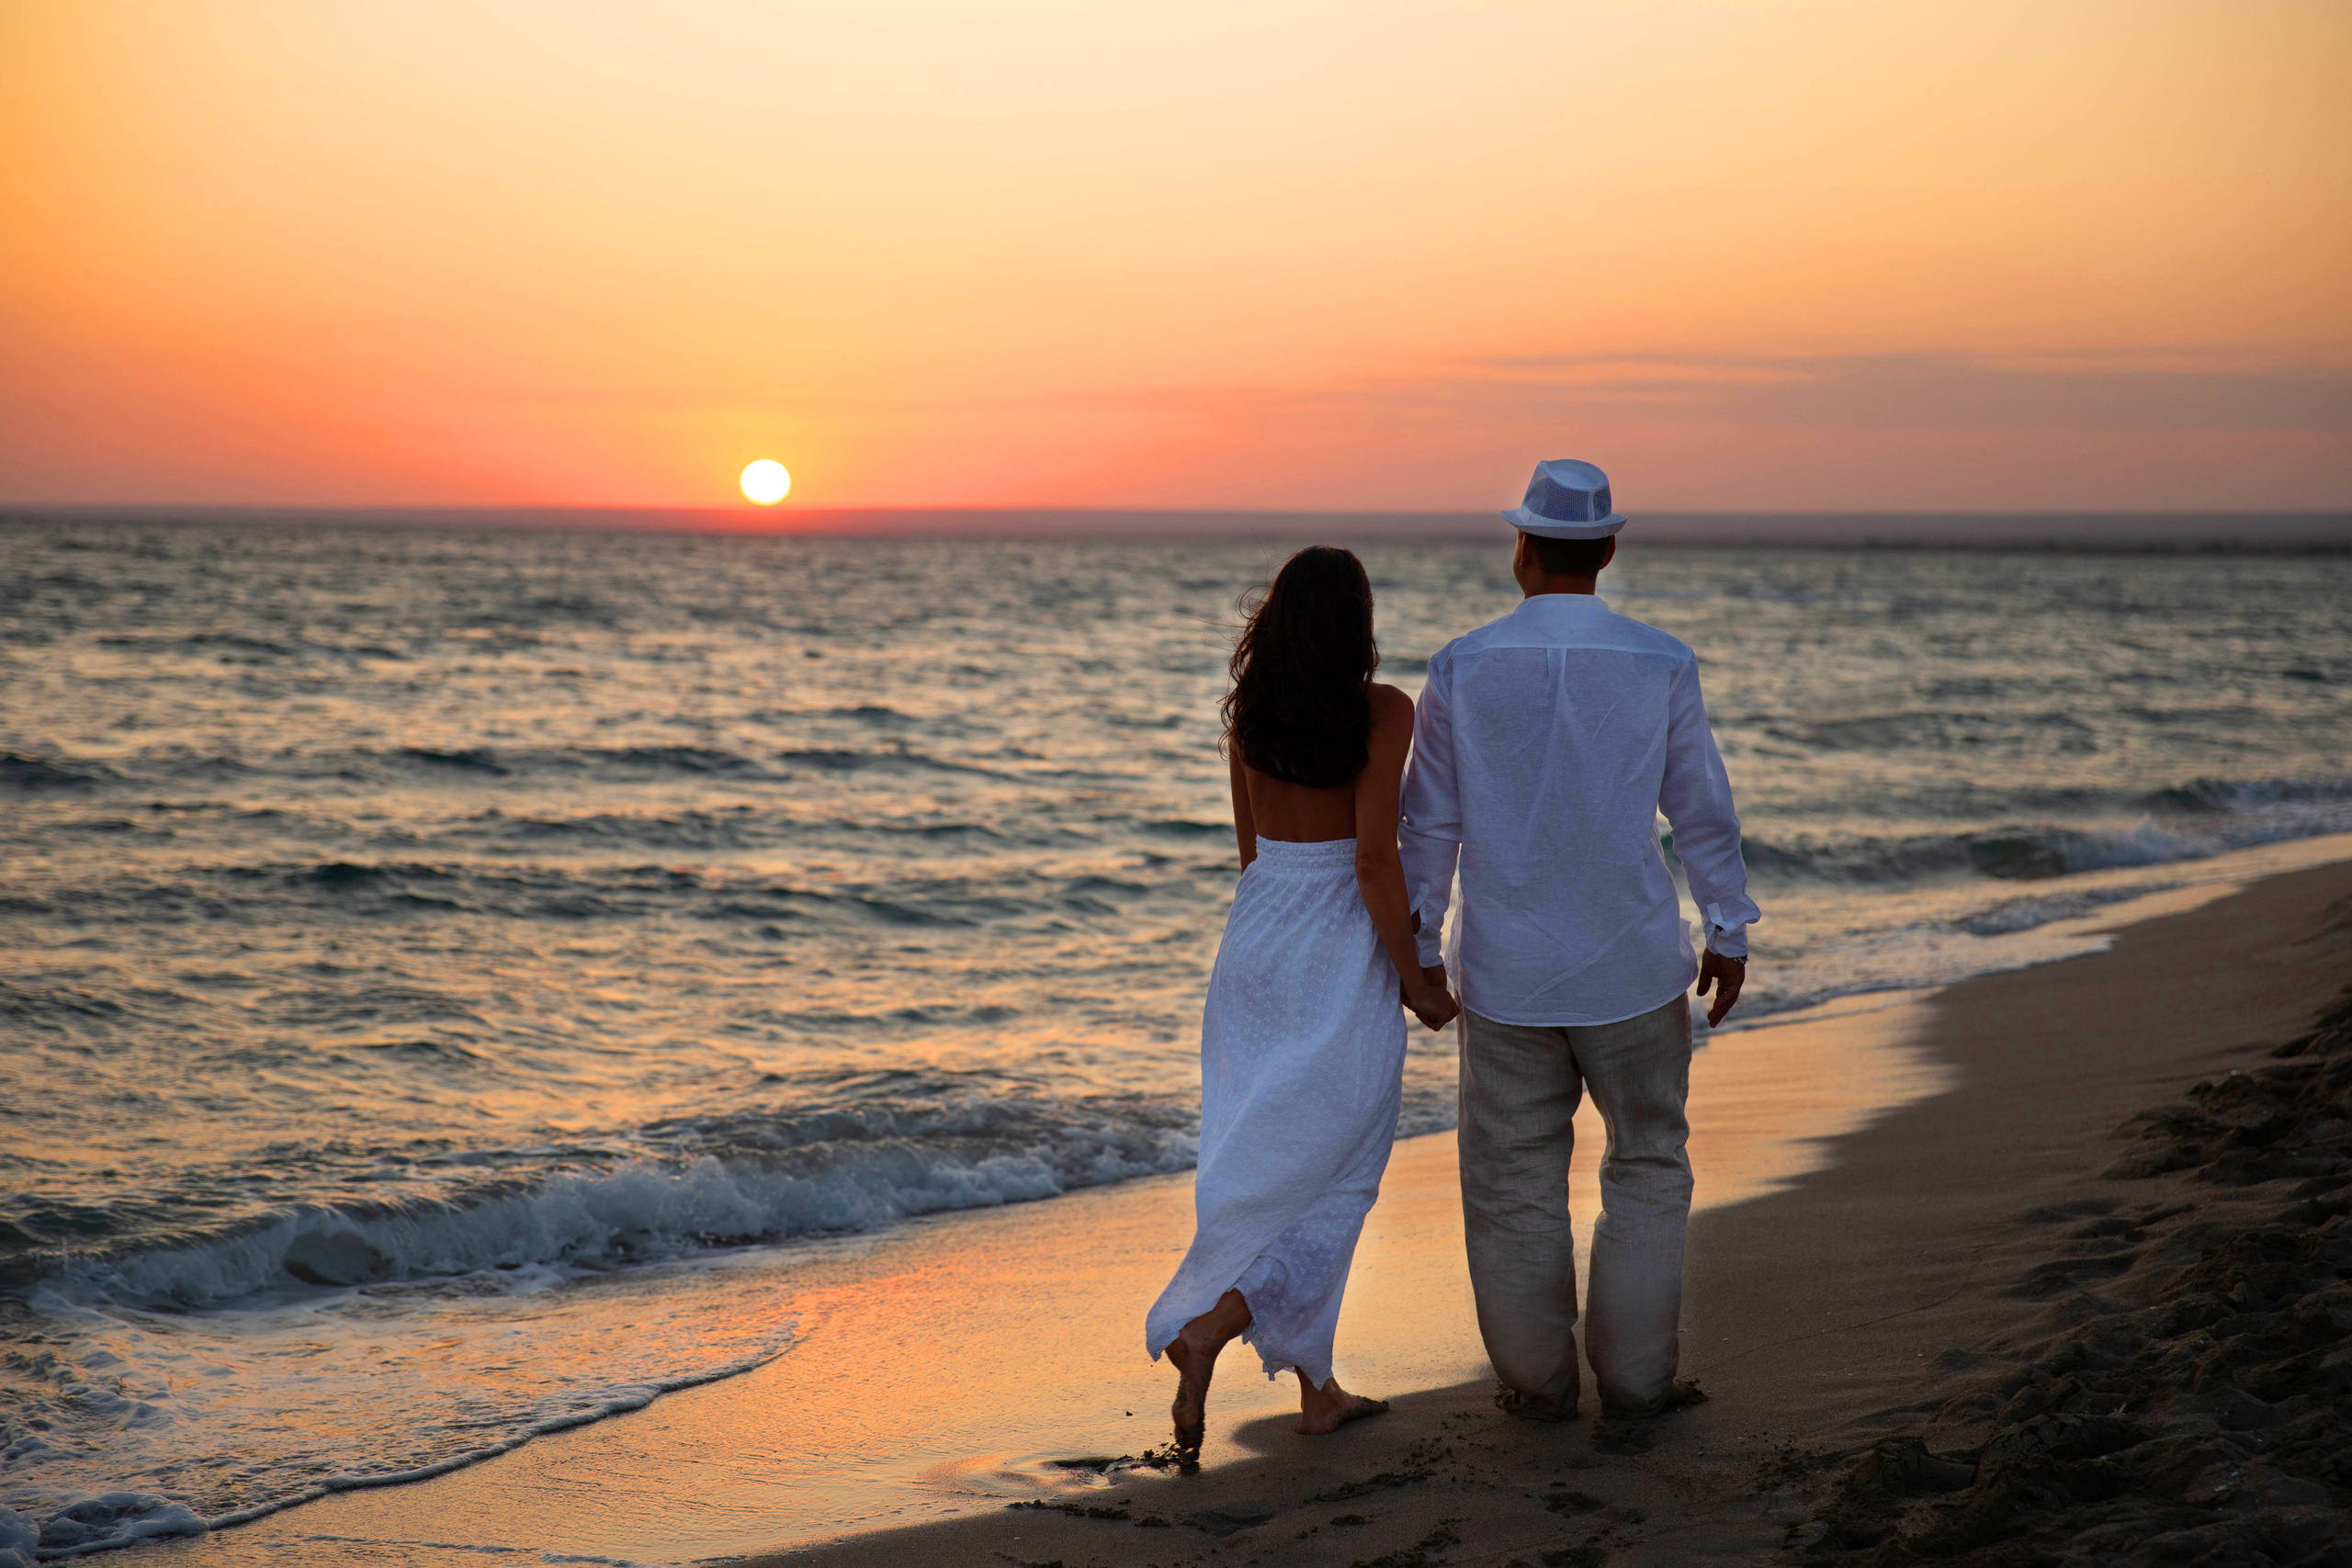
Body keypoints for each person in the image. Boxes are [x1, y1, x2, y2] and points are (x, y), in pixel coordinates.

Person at [1398, 458, 1758, 1422]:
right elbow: (1701, 811)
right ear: (1605, 552)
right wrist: (1726, 928)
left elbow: (1427, 825)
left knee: (1512, 1184)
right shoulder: (1660, 661)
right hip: (1632, 966)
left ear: (1522, 547)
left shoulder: (1461, 665)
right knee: (1646, 1164)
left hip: (1507, 976)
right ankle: (1638, 1380)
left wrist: (1420, 947)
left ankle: (1539, 1381)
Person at [1145, 545, 1460, 1458]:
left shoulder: (1248, 713)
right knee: (1342, 1173)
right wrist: (1416, 979)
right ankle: (1212, 1324)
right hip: (1335, 944)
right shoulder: (1382, 711)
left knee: (1270, 1159)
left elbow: (1252, 856)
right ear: (1357, 625)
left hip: (1255, 944)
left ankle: (1318, 1390)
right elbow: (1371, 859)